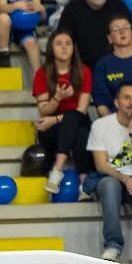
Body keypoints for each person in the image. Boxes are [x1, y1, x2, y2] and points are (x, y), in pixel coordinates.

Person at [87, 81, 132, 262]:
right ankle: (113, 245)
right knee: (110, 185)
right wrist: (125, 179)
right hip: (109, 177)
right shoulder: (101, 125)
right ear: (116, 102)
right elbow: (101, 165)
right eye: (127, 98)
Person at [32, 30, 93, 194]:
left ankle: (57, 170)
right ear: (51, 48)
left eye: (68, 44)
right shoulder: (42, 73)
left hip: (76, 119)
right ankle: (84, 185)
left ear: (73, 48)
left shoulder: (84, 71)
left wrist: (55, 119)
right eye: (59, 44)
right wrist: (57, 98)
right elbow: (44, 111)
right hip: (53, 129)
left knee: (76, 121)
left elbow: (82, 110)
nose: (64, 47)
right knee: (80, 132)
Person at [57, 0, 132, 70]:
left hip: (120, 66)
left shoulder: (119, 6)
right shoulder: (72, 10)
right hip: (85, 70)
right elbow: (63, 42)